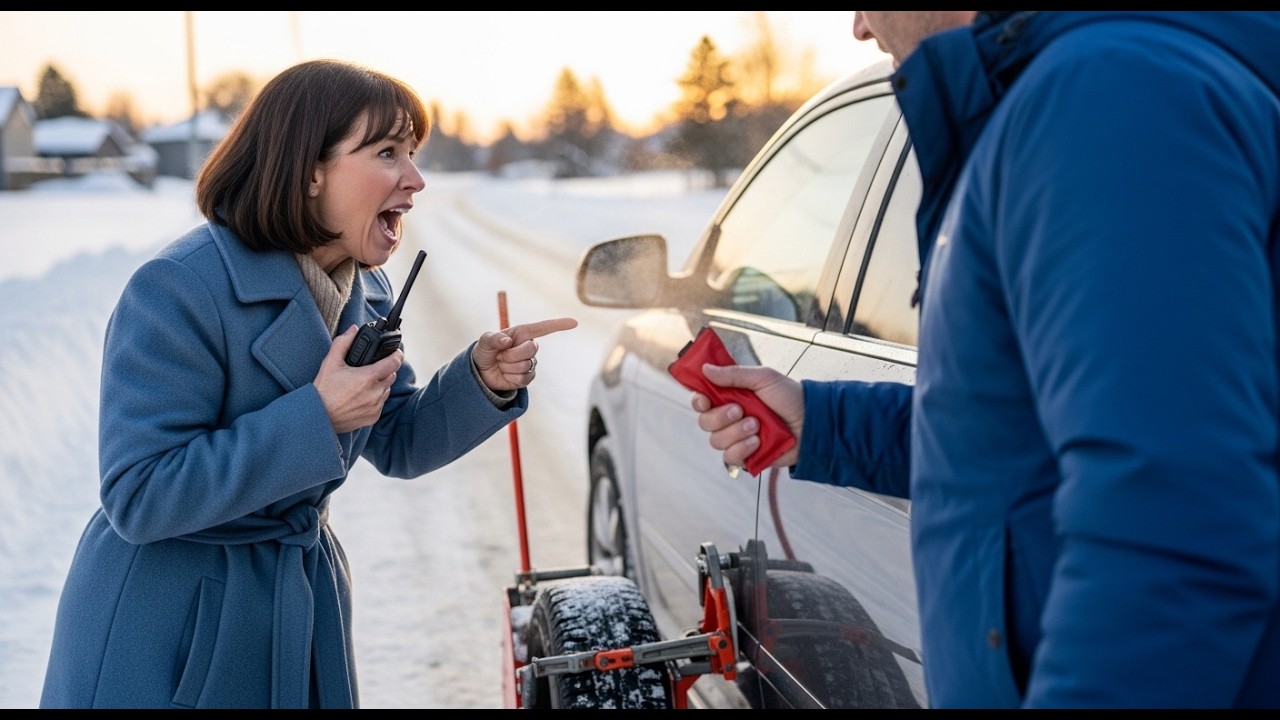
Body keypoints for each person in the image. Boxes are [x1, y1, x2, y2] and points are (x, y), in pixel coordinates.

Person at [689, 11, 1280, 708]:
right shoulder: (1070, 96)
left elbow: (1173, 521)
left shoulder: (1105, 98)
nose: (857, 27)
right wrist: (820, 419)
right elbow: (1016, 430)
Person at [39, 59, 577, 709]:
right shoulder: (178, 289)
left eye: (413, 152)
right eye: (387, 152)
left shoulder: (365, 286)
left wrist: (478, 382)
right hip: (173, 628)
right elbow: (140, 494)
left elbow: (398, 439)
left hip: (297, 608)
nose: (416, 178)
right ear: (309, 169)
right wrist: (315, 417)